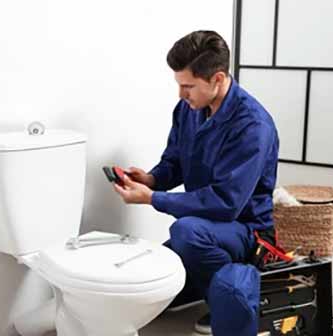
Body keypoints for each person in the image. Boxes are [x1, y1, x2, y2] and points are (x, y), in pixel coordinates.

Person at [113, 30, 279, 335]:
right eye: (178, 85)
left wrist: (152, 198)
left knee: (186, 232)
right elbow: (174, 161)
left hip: (247, 230)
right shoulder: (188, 110)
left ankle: (227, 298)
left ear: (216, 79)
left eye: (187, 86)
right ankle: (204, 287)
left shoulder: (252, 126)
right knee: (156, 260)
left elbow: (226, 204)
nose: (181, 94)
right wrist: (151, 179)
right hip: (207, 225)